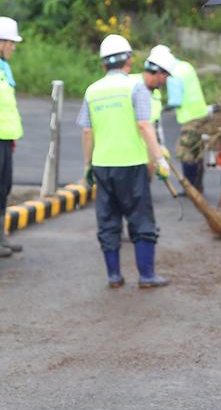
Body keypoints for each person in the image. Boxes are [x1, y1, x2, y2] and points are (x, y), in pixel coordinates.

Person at [76, 35, 171, 289]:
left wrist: (87, 165)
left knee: (108, 221)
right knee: (141, 221)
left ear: (103, 64)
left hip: (102, 165)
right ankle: (147, 276)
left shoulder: (92, 90)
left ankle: (114, 276)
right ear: (128, 60)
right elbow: (144, 124)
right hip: (131, 164)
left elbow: (87, 131)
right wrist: (160, 159)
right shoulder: (135, 87)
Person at [164, 50, 208, 192]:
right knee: (196, 151)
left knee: (185, 152)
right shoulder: (185, 66)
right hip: (201, 113)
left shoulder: (173, 75)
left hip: (190, 117)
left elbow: (175, 101)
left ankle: (190, 187)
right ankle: (197, 185)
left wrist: (161, 106)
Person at [0, 17, 23, 258]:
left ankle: (2, 238)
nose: (13, 47)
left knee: (3, 188)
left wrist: (12, 136)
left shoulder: (4, 68)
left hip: (5, 138)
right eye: (10, 42)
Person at [130, 46, 176, 144]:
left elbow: (156, 124)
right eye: (166, 76)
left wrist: (161, 147)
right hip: (133, 152)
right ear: (160, 73)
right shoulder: (132, 86)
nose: (165, 81)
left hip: (149, 152)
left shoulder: (155, 93)